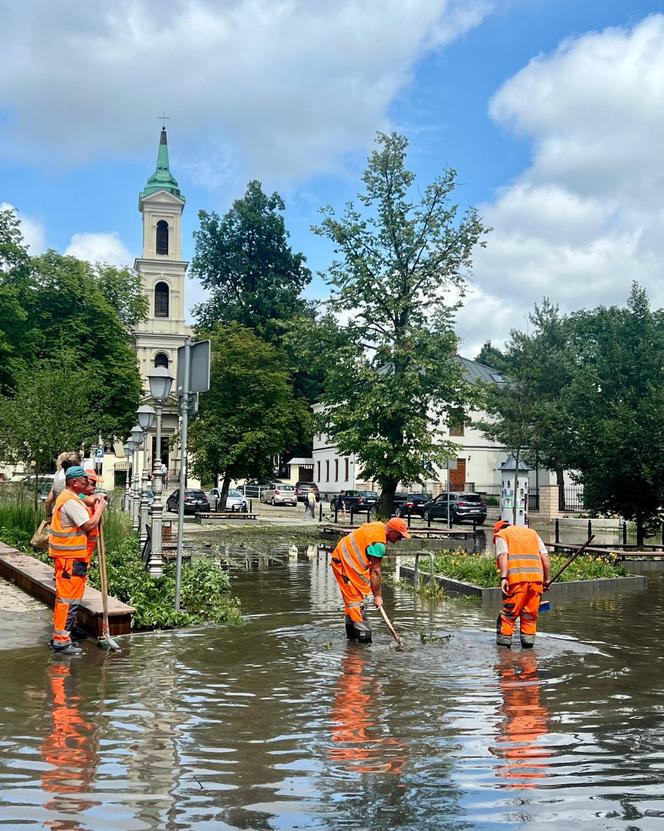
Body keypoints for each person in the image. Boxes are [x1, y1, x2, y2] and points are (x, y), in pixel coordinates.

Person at [48, 465, 108, 655]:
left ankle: (65, 634)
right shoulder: (70, 502)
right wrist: (99, 509)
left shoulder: (72, 497)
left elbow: (87, 499)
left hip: (74, 558)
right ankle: (61, 641)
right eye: (84, 481)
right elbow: (89, 525)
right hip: (70, 560)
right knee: (67, 601)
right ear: (75, 482)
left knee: (69, 600)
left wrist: (95, 501)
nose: (87, 484)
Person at [330, 517, 410, 643]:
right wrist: (378, 596)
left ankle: (352, 643)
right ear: (391, 531)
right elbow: (376, 571)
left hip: (343, 559)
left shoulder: (378, 526)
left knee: (352, 604)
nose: (401, 538)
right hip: (344, 564)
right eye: (400, 535)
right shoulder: (378, 544)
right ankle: (363, 644)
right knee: (355, 603)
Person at [494, 519, 551, 649]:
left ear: (497, 530)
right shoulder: (532, 533)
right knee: (529, 616)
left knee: (508, 616)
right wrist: (546, 580)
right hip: (536, 582)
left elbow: (503, 555)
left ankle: (504, 657)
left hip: (516, 581)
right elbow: (545, 558)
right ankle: (529, 658)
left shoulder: (501, 534)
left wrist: (503, 577)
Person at [45, 452, 81, 518]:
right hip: (72, 515)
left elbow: (48, 501)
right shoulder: (74, 475)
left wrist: (49, 516)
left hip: (57, 513)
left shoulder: (57, 474)